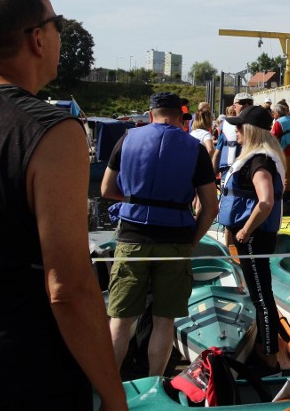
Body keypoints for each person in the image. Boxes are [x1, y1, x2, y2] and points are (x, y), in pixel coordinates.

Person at [0, 0, 126, 409]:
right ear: (38, 38)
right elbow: (69, 287)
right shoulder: (51, 132)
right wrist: (114, 398)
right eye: (56, 24)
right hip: (16, 379)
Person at [102, 92, 219, 377]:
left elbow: (106, 189)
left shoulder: (127, 138)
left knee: (120, 320)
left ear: (149, 113)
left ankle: (109, 388)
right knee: (164, 320)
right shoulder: (195, 149)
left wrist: (132, 200)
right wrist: (192, 242)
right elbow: (210, 208)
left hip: (132, 238)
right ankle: (156, 384)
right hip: (176, 241)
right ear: (181, 116)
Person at [217, 105, 287, 374]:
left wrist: (245, 230)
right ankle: (263, 347)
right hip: (254, 237)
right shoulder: (260, 157)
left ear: (252, 131)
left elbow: (266, 201)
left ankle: (270, 359)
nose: (236, 130)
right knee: (260, 294)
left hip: (255, 237)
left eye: (240, 126)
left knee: (261, 297)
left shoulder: (260, 161)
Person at [215, 92, 254, 178]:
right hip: (228, 171)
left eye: (250, 103)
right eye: (243, 102)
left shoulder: (258, 124)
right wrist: (212, 175)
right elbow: (218, 149)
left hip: (250, 170)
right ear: (234, 106)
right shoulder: (225, 124)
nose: (247, 105)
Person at [271, 102, 290, 202]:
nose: (273, 114)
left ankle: (287, 196)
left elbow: (273, 137)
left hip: (286, 151)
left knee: (286, 173)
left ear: (277, 113)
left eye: (274, 112)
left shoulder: (278, 122)